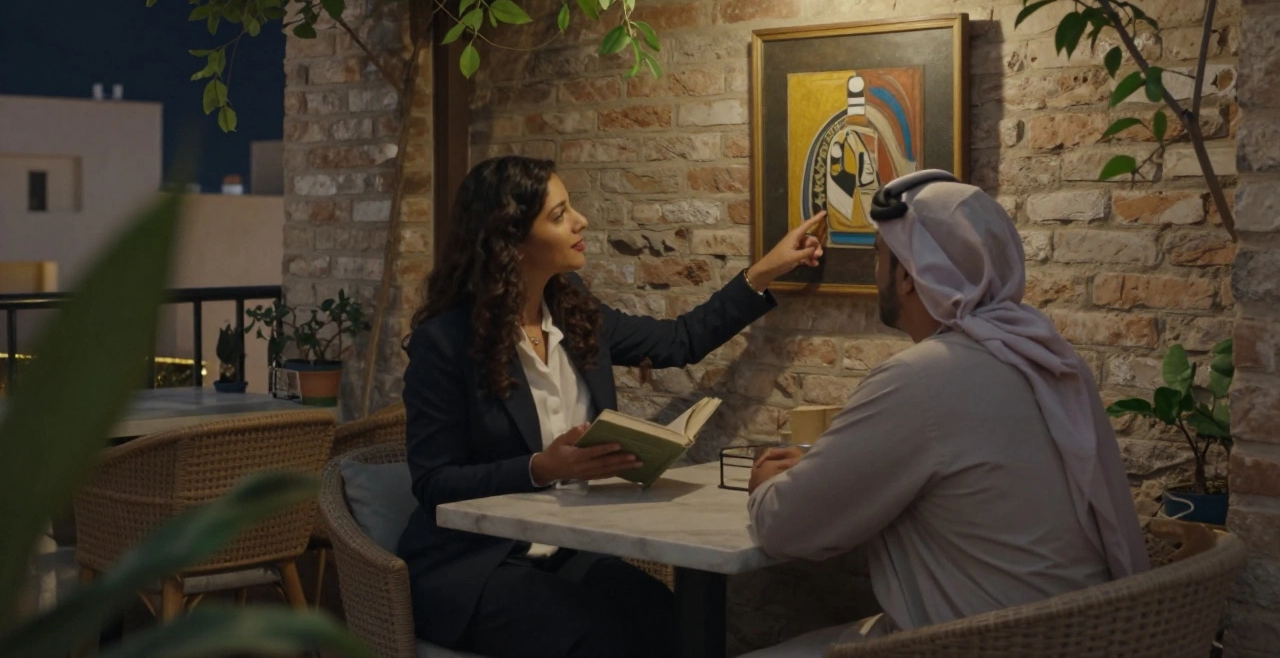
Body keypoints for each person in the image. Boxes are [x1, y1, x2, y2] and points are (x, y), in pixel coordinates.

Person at [398, 155, 825, 658]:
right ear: (510, 242)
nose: (580, 221)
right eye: (558, 215)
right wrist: (540, 468)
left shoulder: (573, 308)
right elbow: (433, 484)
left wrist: (766, 270)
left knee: (670, 620)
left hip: (569, 551)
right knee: (597, 639)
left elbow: (677, 341)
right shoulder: (445, 342)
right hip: (475, 567)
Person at [743, 170, 1150, 657]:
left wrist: (766, 486)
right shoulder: (1045, 356)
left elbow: (787, 527)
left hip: (977, 643)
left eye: (880, 257)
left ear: (911, 278)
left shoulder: (922, 378)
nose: (876, 274)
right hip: (1079, 637)